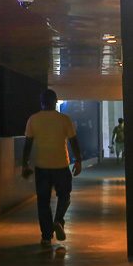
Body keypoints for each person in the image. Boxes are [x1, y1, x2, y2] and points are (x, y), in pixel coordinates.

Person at [22, 89, 82, 247]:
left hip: (41, 167)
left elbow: (27, 144)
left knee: (43, 202)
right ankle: (58, 220)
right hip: (61, 165)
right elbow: (73, 141)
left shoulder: (33, 119)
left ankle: (46, 236)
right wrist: (78, 161)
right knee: (65, 196)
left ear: (41, 102)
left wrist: (24, 164)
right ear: (55, 102)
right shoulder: (64, 119)